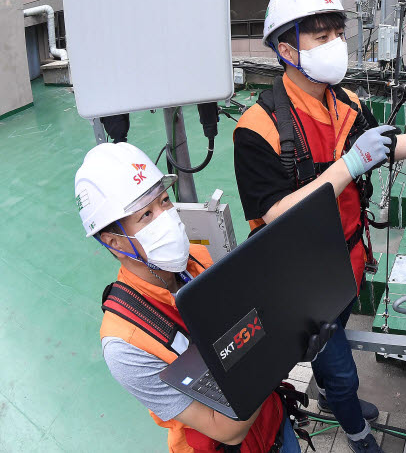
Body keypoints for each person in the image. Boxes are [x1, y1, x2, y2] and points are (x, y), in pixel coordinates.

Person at [232, 0, 406, 453]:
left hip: (349, 260)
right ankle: (355, 429)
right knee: (338, 365)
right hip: (301, 280)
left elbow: (383, 147)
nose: (335, 44)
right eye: (320, 35)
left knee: (342, 341)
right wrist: (350, 164)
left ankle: (338, 400)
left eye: (337, 33)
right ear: (286, 48)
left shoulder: (347, 103)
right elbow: (273, 214)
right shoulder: (258, 128)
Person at [77, 142, 301, 453]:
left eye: (165, 200)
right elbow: (226, 430)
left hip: (272, 420)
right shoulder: (126, 344)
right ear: (115, 243)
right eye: (146, 215)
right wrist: (286, 348)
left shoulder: (197, 259)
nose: (166, 217)